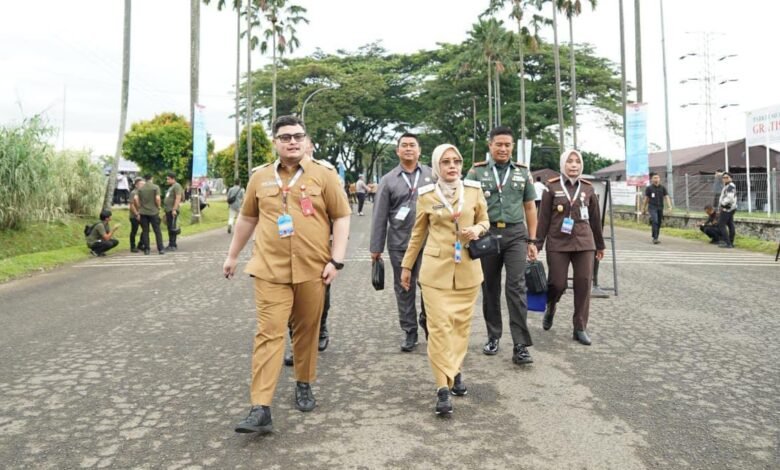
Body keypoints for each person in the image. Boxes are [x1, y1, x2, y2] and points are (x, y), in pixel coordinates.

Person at [223, 115, 350, 434]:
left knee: (307, 332)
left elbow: (342, 217)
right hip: (270, 268)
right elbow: (247, 219)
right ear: (275, 142)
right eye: (285, 137)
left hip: (312, 268)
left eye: (297, 136)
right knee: (269, 332)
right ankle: (260, 406)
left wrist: (336, 261)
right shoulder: (260, 178)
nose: (292, 141)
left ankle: (304, 384)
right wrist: (232, 255)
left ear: (306, 140)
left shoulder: (324, 175)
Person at [401, 143, 489, 415]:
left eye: (457, 162)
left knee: (460, 328)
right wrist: (406, 266)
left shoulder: (473, 191)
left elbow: (486, 221)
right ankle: (442, 388)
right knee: (439, 329)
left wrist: (476, 228)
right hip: (435, 272)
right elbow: (417, 234)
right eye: (446, 162)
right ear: (437, 166)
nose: (452, 166)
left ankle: (456, 370)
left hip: (467, 273)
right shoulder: (427, 195)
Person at [464, 126, 537, 365]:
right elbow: (468, 206)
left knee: (516, 287)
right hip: (487, 232)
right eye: (499, 144)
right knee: (490, 288)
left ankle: (520, 345)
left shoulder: (523, 173)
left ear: (512, 147)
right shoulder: (476, 173)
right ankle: (493, 336)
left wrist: (532, 240)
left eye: (508, 145)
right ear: (490, 145)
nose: (503, 149)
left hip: (516, 234)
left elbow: (529, 207)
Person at [370, 132, 434, 352]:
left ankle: (429, 325)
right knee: (404, 287)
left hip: (429, 242)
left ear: (419, 150)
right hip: (399, 242)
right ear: (397, 151)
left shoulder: (431, 175)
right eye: (404, 145)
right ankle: (409, 331)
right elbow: (379, 216)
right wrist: (375, 248)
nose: (408, 149)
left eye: (412, 145)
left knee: (430, 286)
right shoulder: (388, 180)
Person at [536, 149, 606, 346]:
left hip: (584, 242)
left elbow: (595, 219)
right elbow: (543, 219)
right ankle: (551, 305)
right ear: (563, 165)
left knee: (584, 283)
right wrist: (537, 244)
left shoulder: (588, 188)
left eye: (577, 162)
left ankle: (580, 327)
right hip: (558, 241)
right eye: (570, 161)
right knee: (557, 283)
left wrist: (600, 245)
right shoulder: (551, 187)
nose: (574, 165)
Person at [134, 174, 165, 255]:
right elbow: (157, 198)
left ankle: (147, 249)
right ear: (152, 178)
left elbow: (135, 198)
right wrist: (158, 207)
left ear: (145, 179)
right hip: (153, 212)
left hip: (143, 212)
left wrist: (139, 207)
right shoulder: (155, 187)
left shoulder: (141, 188)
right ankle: (161, 249)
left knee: (145, 231)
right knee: (157, 231)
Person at [642, 172, 673, 244]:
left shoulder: (662, 188)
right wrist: (643, 208)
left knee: (658, 223)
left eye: (658, 178)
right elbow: (646, 199)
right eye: (654, 178)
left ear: (659, 179)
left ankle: (655, 236)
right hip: (652, 207)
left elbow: (667, 197)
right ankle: (655, 238)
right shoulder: (649, 188)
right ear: (651, 179)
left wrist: (669, 206)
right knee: (655, 221)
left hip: (660, 207)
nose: (656, 179)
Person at [164, 171, 183, 251]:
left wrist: (174, 209)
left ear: (173, 179)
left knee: (172, 227)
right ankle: (171, 243)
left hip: (172, 210)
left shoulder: (177, 186)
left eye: (168, 179)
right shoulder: (171, 187)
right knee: (170, 227)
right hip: (168, 210)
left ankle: (173, 244)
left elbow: (178, 197)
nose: (167, 181)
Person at [718, 172, 737, 248]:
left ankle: (728, 243)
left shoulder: (730, 186)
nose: (725, 179)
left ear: (731, 178)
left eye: (727, 177)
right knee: (730, 224)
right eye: (724, 177)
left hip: (727, 208)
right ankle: (730, 242)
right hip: (730, 208)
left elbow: (730, 197)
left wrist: (722, 204)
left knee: (721, 225)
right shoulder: (728, 186)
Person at [128, 177, 147, 253]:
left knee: (145, 230)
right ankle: (132, 246)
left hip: (143, 214)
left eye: (143, 184)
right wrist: (136, 214)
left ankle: (140, 244)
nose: (142, 185)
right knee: (134, 231)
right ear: (136, 185)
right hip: (134, 216)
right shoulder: (133, 193)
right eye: (141, 184)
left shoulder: (143, 192)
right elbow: (131, 205)